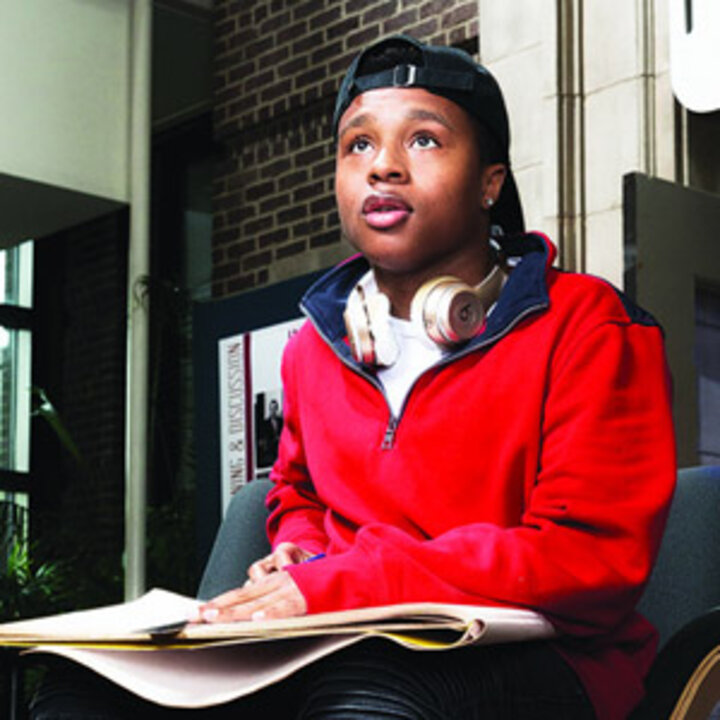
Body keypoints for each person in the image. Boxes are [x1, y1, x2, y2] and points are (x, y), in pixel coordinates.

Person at [31, 35, 676, 720]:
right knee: (80, 691)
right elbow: (296, 489)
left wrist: (350, 581)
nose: (384, 168)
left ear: (491, 181)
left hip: (543, 658)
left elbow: (587, 557)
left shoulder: (589, 325)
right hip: (337, 634)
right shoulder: (315, 347)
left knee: (368, 695)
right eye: (357, 146)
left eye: (424, 141)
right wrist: (301, 549)